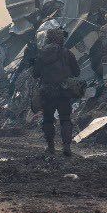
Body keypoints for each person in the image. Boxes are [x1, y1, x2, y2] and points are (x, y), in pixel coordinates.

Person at [27, 27, 82, 157]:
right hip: (64, 91)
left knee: (47, 119)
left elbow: (35, 74)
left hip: (47, 92)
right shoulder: (67, 53)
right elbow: (77, 72)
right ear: (60, 39)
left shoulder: (41, 54)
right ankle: (66, 147)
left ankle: (50, 147)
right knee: (65, 119)